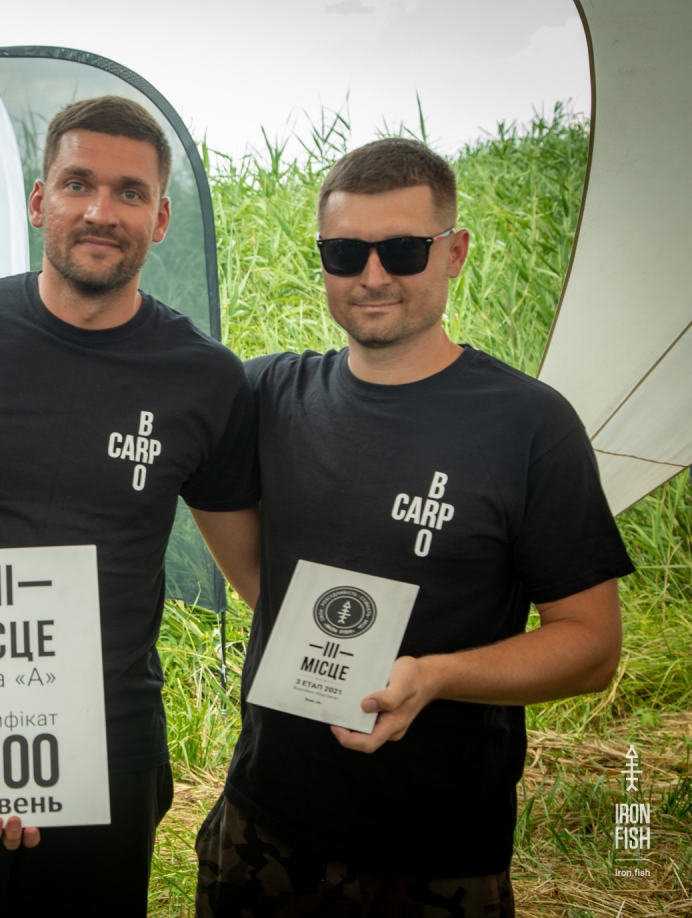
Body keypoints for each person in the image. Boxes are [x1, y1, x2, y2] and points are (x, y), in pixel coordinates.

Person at [196, 138, 634, 917]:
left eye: (402, 250)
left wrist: (433, 677)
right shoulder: (269, 395)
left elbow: (592, 645)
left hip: (438, 854)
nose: (372, 276)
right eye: (344, 253)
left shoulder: (530, 427)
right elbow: (163, 418)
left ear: (453, 252)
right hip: (267, 825)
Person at [0, 96, 261, 916]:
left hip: (108, 740)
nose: (100, 211)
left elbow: (257, 576)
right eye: (78, 184)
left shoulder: (204, 378)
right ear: (38, 200)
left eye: (130, 193)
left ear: (161, 219)